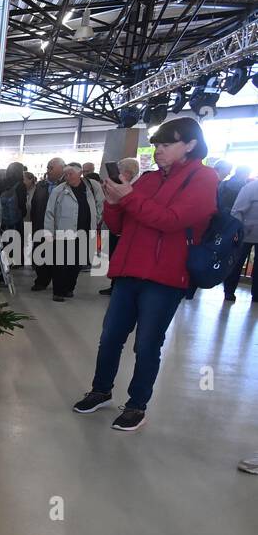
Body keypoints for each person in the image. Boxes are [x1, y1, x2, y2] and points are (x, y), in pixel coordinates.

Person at [72, 117, 218, 431]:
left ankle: (137, 405)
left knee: (147, 344)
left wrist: (129, 197)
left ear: (190, 145)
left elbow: (170, 219)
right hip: (129, 272)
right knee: (110, 337)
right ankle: (100, 390)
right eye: (157, 145)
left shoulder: (204, 178)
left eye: (167, 145)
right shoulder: (150, 180)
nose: (159, 151)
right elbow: (122, 226)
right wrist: (113, 203)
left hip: (165, 278)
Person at [44, 162, 103, 301]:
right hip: (63, 233)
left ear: (80, 173)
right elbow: (50, 213)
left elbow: (101, 204)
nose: (67, 177)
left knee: (77, 263)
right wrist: (49, 233)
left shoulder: (92, 187)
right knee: (61, 264)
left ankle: (69, 288)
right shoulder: (59, 190)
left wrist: (96, 219)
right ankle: (58, 291)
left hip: (85, 232)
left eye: (70, 174)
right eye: (66, 174)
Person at [99, 157, 142, 295]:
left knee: (120, 257)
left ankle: (118, 287)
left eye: (119, 171)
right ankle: (114, 286)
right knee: (113, 257)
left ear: (128, 173)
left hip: (126, 231)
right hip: (116, 228)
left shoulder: (136, 188)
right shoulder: (122, 186)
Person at [30, 157, 66, 290]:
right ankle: (41, 280)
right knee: (40, 254)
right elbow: (34, 205)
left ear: (61, 169)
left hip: (59, 228)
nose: (48, 170)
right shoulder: (41, 185)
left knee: (58, 257)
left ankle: (61, 285)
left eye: (51, 168)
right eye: (48, 167)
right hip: (40, 225)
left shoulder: (67, 186)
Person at [227, 170, 258, 303]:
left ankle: (256, 294)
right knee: (237, 263)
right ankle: (229, 291)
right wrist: (240, 229)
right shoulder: (251, 187)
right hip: (245, 234)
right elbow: (237, 210)